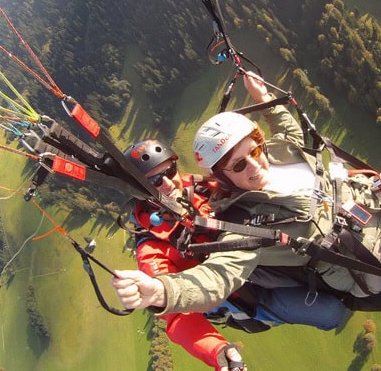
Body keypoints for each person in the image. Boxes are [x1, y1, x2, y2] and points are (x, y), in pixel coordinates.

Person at [112, 72, 381, 319]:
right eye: (238, 166)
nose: (254, 164)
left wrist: (264, 100)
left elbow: (292, 136)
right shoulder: (241, 225)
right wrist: (162, 292)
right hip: (362, 255)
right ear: (221, 176)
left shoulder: (275, 152)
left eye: (254, 149)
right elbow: (217, 278)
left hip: (365, 198)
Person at [121, 137, 347, 371]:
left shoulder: (199, 187)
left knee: (325, 261)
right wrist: (218, 352)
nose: (169, 183)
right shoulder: (152, 249)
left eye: (170, 171)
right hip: (247, 294)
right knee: (331, 313)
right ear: (139, 192)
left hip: (256, 258)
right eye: (155, 181)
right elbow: (177, 316)